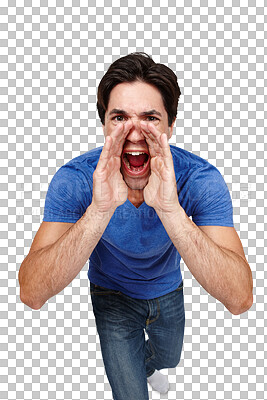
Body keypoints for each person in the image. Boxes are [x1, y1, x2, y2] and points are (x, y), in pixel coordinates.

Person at [18, 52, 253, 400]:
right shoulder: (75, 180)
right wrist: (99, 209)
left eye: (150, 118)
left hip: (167, 287)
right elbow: (31, 293)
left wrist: (171, 209)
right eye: (120, 118)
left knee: (168, 358)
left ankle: (147, 364)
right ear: (104, 125)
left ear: (170, 126)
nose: (134, 132)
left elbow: (239, 299)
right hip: (110, 294)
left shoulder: (200, 179)